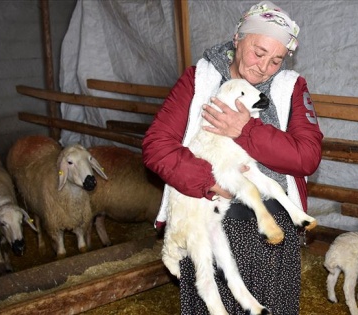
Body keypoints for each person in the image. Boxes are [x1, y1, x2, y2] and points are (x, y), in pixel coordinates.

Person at [142, 1, 323, 314]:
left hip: (272, 228)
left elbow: (307, 157)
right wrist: (208, 180)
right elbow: (157, 145)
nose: (264, 67)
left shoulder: (289, 88)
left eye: (276, 59)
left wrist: (246, 130)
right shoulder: (199, 80)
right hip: (211, 219)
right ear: (238, 38)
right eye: (258, 52)